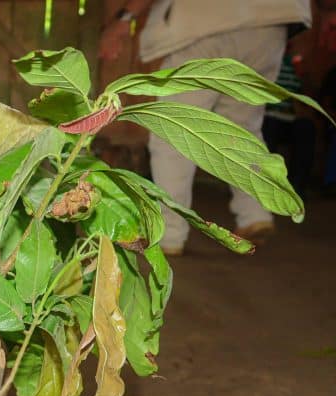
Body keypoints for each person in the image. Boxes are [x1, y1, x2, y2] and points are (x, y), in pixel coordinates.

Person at [99, 0, 312, 254]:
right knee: (242, 128)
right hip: (271, 23)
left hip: (207, 21)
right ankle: (254, 212)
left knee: (174, 129)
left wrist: (124, 18)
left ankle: (170, 234)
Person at [262, 49, 315, 196]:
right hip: (268, 114)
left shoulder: (295, 63)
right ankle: (266, 186)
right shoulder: (266, 59)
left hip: (290, 117)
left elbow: (309, 96)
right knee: (270, 127)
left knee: (306, 128)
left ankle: (296, 188)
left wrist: (303, 75)